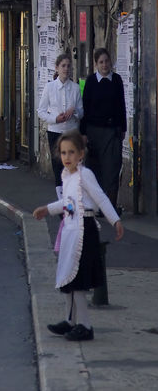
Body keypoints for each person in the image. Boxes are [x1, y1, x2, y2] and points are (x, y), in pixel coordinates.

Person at [33, 130, 124, 342]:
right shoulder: (67, 177)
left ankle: (85, 325)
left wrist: (115, 220)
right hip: (70, 230)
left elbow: (100, 198)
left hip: (84, 230)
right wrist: (47, 209)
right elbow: (67, 203)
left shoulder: (85, 175)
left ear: (81, 154)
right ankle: (70, 320)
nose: (67, 157)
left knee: (78, 279)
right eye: (63, 153)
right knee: (67, 276)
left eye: (71, 152)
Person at [80, 48, 127, 208]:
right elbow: (84, 108)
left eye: (107, 61)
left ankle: (110, 207)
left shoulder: (117, 80)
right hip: (94, 132)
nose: (105, 65)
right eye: (101, 62)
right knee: (95, 169)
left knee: (112, 168)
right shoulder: (91, 81)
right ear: (96, 64)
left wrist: (123, 128)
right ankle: (95, 205)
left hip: (112, 131)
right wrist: (83, 132)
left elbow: (122, 105)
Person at [37, 52, 83, 194]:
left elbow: (82, 112)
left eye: (68, 66)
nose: (66, 69)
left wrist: (73, 111)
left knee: (72, 166)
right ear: (57, 68)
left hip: (71, 132)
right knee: (58, 166)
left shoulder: (75, 88)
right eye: (63, 66)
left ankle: (72, 198)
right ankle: (62, 202)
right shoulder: (50, 87)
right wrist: (55, 118)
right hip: (55, 132)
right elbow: (41, 111)